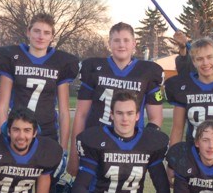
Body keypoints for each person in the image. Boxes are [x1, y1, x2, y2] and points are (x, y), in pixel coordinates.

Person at [67, 22, 164, 175]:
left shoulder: (148, 71)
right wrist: (74, 154)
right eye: (116, 40)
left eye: (126, 40)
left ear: (134, 44)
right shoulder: (93, 68)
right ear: (109, 43)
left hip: (129, 145)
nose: (121, 45)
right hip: (95, 142)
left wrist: (142, 145)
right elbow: (81, 114)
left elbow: (155, 117)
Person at [0, 13, 79, 152]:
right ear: (28, 32)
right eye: (37, 31)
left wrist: (63, 149)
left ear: (52, 37)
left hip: (47, 132)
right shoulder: (12, 57)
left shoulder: (60, 62)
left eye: (46, 33)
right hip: (17, 132)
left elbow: (64, 111)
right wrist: (4, 138)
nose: (41, 36)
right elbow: (2, 105)